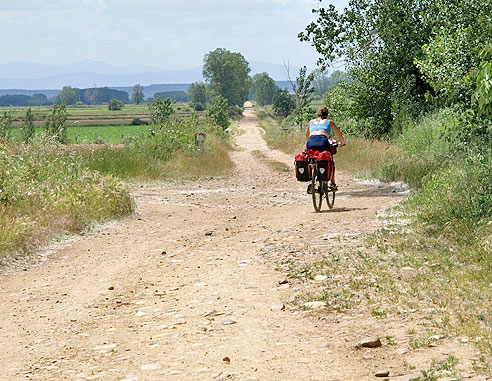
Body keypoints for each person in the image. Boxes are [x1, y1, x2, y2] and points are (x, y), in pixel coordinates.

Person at [306, 106, 345, 192]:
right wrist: (342, 143)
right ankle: (332, 183)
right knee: (330, 161)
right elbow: (339, 134)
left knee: (312, 159)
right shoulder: (330, 122)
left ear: (318, 114)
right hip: (323, 141)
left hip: (310, 142)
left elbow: (307, 136)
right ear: (327, 115)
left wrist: (307, 146)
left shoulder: (311, 122)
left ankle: (312, 179)